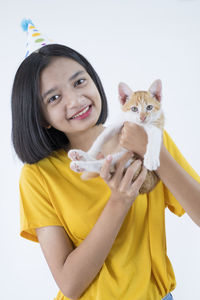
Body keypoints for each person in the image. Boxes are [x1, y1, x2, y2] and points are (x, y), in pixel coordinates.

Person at [11, 20, 200, 300]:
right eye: (54, 98)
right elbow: (70, 286)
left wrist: (153, 150)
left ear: (94, 79)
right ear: (41, 117)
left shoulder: (150, 138)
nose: (75, 100)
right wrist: (119, 200)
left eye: (79, 81)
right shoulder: (38, 176)